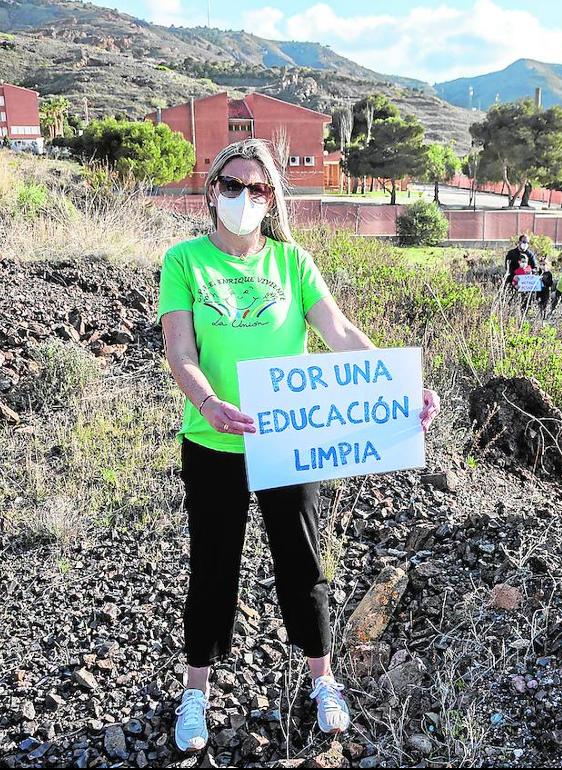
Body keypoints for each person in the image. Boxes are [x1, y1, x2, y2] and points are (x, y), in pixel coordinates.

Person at [157, 138, 442, 752]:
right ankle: (196, 692)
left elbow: (339, 331)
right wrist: (210, 403)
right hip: (213, 442)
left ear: (272, 198)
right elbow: (181, 353)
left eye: (255, 188)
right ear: (212, 192)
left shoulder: (293, 264)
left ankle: (322, 680)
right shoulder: (184, 261)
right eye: (230, 185)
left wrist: (402, 386)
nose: (242, 197)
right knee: (212, 567)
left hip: (291, 439)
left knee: (303, 562)